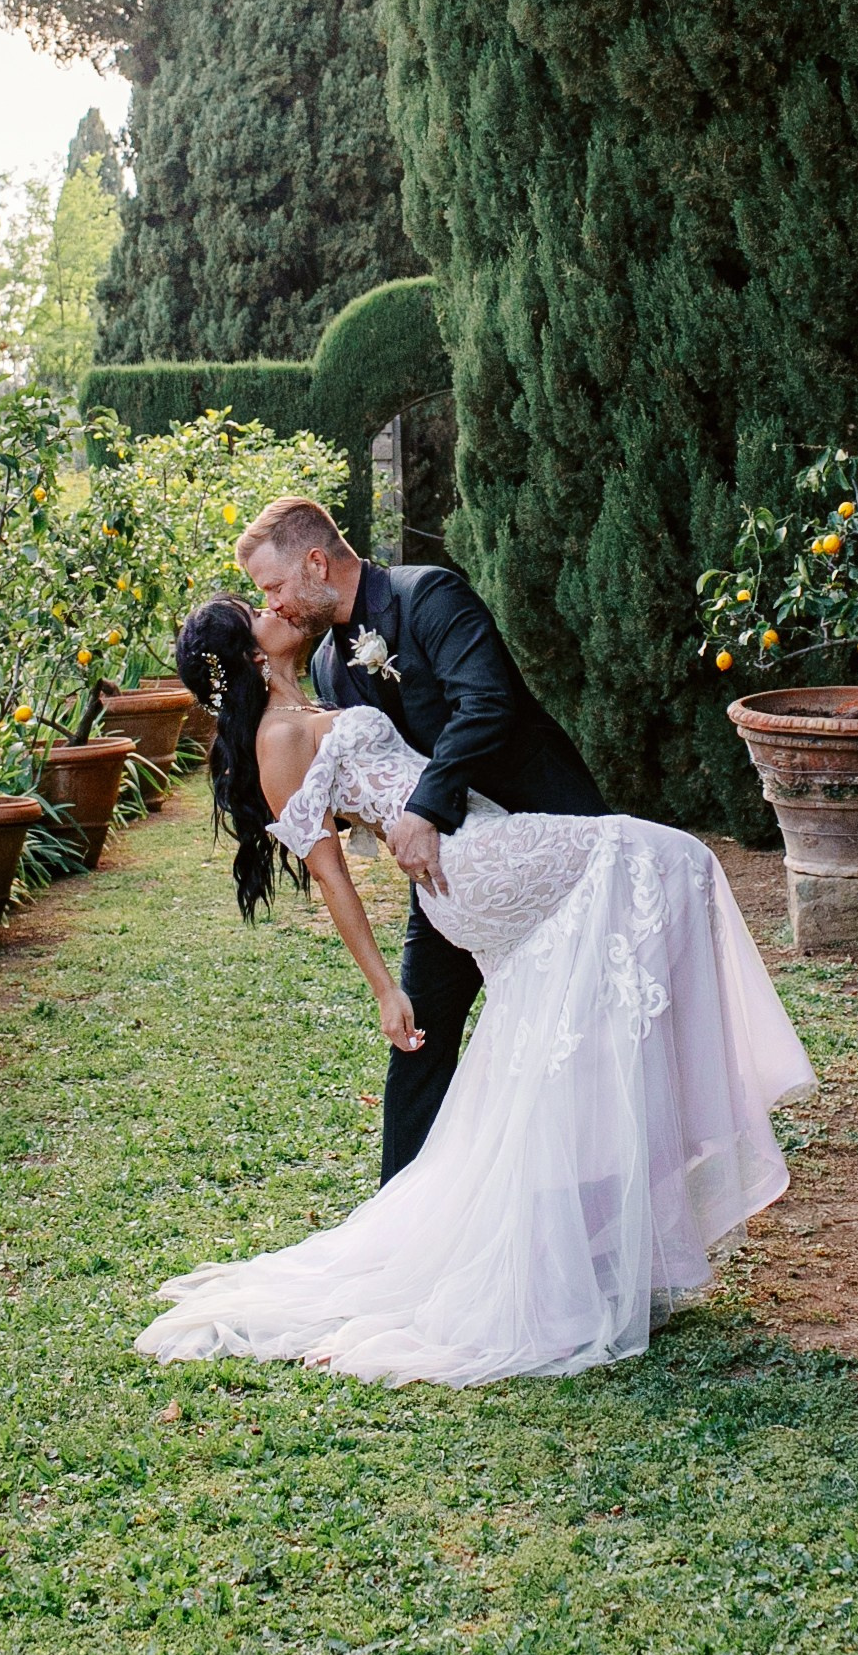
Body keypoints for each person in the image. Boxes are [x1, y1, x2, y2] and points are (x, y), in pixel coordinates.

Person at [135, 592, 812, 1385]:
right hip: (466, 865)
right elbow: (332, 877)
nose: (270, 605)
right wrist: (385, 990)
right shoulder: (276, 738)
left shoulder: (320, 690)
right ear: (250, 654)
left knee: (573, 1002)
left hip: (475, 837)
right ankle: (700, 1100)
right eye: (254, 608)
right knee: (665, 858)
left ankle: (580, 1218)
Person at [234, 494, 607, 1179]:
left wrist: (426, 810)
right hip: (447, 876)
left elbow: (486, 701)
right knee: (419, 1040)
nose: (275, 605)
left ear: (316, 561)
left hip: (543, 831)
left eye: (275, 587)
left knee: (578, 1022)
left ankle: (593, 1201)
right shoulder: (328, 668)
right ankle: (397, 1220)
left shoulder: (429, 594)